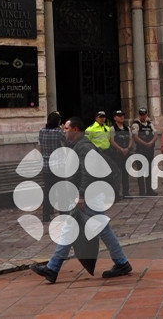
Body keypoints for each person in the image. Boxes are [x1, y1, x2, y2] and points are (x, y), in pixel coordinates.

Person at [31, 117, 132, 284]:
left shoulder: (84, 147)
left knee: (80, 229)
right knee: (80, 229)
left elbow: (89, 172)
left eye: (67, 128)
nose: (64, 131)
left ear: (76, 130)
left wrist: (82, 195)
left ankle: (53, 268)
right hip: (90, 194)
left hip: (89, 195)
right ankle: (121, 262)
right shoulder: (78, 145)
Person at [38, 112, 64, 222]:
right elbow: (66, 142)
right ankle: (63, 212)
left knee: (48, 190)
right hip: (58, 165)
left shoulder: (42, 131)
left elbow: (41, 147)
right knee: (61, 189)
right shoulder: (58, 132)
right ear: (57, 121)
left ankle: (46, 214)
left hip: (46, 164)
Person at [131, 108, 157, 196]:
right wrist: (145, 143)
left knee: (149, 171)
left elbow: (155, 134)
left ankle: (149, 190)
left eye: (144, 114)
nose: (143, 116)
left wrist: (151, 142)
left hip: (149, 150)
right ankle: (142, 191)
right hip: (140, 150)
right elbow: (135, 136)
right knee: (141, 171)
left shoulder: (150, 124)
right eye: (141, 114)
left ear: (146, 114)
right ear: (139, 115)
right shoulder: (135, 125)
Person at [109, 110, 132, 199]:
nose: (121, 117)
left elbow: (131, 139)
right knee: (117, 173)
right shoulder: (112, 128)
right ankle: (116, 193)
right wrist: (121, 149)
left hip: (126, 153)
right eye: (119, 115)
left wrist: (128, 148)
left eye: (122, 115)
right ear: (115, 118)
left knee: (125, 174)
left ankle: (126, 192)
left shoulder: (127, 128)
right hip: (117, 154)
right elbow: (112, 140)